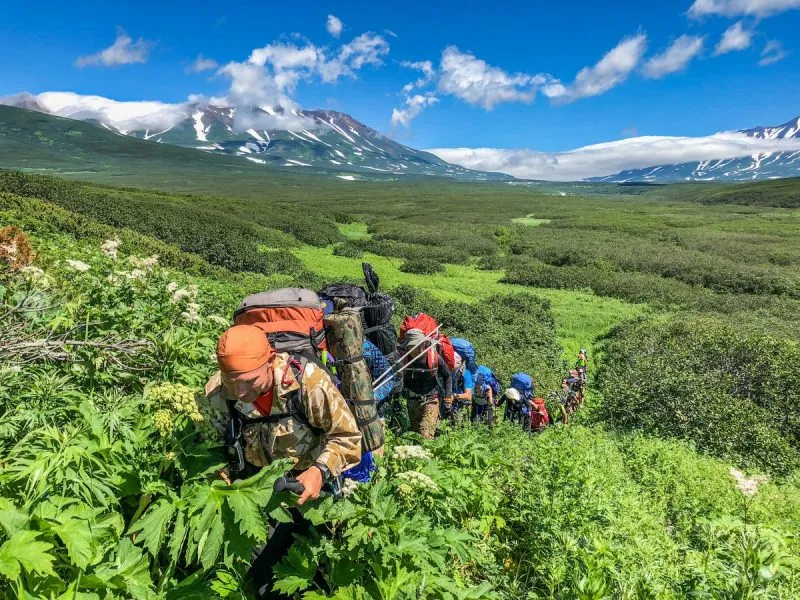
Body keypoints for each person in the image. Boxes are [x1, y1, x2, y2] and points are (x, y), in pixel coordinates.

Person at [206, 324, 361, 599]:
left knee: (318, 569)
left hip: (312, 486)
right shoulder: (217, 392)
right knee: (262, 577)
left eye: (249, 381)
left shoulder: (308, 383)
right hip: (256, 489)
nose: (240, 392)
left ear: (270, 361)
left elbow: (347, 436)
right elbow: (210, 446)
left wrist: (319, 471)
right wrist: (220, 477)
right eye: (232, 380)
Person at [401, 328, 453, 439]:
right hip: (412, 400)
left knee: (426, 434)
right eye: (416, 346)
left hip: (431, 399)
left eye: (422, 344)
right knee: (416, 435)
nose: (421, 348)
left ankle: (428, 453)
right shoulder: (404, 361)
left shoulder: (434, 357)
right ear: (408, 347)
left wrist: (448, 395)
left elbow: (447, 376)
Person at [449, 353, 474, 426]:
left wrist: (454, 396)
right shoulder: (446, 371)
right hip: (445, 404)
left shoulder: (466, 374)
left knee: (457, 427)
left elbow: (468, 395)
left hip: (459, 406)